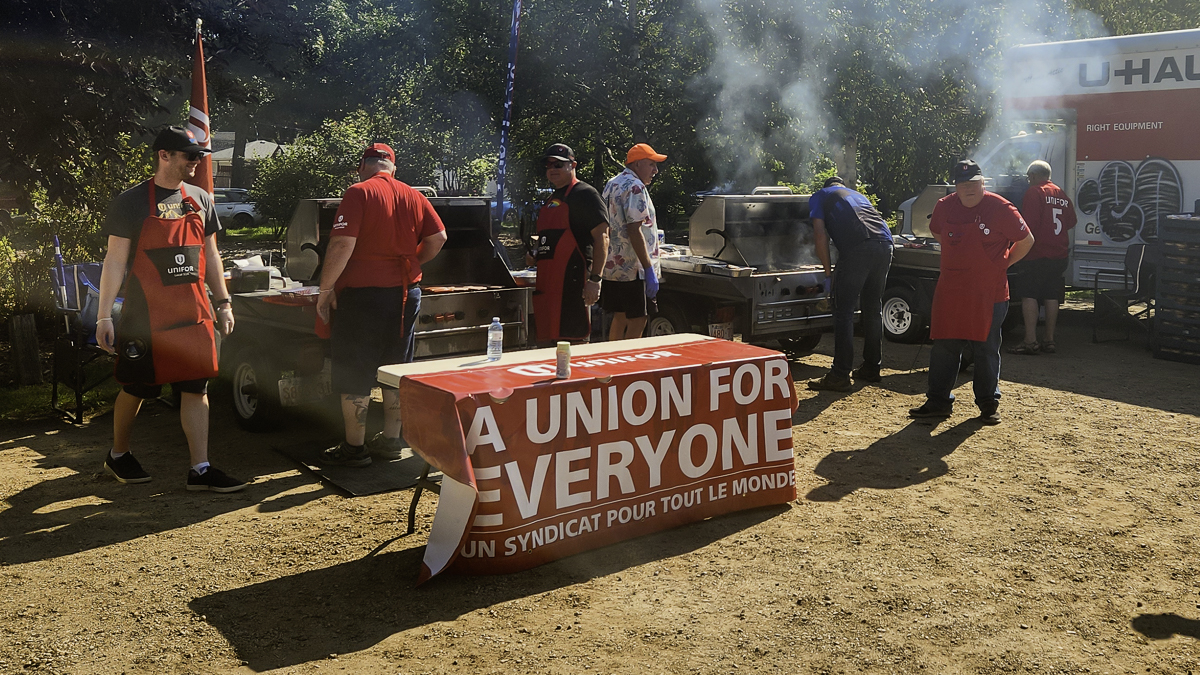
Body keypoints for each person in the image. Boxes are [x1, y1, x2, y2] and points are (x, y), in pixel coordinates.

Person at [95, 126, 246, 492]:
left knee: (197, 386)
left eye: (199, 157)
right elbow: (115, 261)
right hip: (145, 312)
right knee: (139, 387)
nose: (197, 163)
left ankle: (201, 468)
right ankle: (118, 454)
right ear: (164, 155)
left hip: (193, 309)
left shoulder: (200, 198)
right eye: (189, 156)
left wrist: (223, 302)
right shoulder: (130, 202)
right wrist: (103, 316)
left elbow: (210, 254)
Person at [315, 143, 447, 466]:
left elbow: (342, 243)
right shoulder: (415, 196)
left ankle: (354, 449)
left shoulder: (358, 193)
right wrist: (412, 262)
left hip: (363, 296)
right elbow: (439, 237)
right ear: (393, 168)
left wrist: (325, 288)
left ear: (364, 166)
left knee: (355, 368)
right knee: (395, 368)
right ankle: (391, 440)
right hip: (405, 294)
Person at [909, 160, 1035, 426]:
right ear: (955, 186)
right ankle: (938, 402)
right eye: (963, 184)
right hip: (952, 291)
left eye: (974, 183)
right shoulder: (944, 207)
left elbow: (1027, 240)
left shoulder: (1001, 208)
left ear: (983, 182)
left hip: (989, 293)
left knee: (986, 348)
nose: (969, 188)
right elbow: (939, 232)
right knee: (944, 346)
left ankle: (988, 404)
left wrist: (1002, 263)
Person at [806, 176, 895, 391]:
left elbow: (819, 235)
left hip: (859, 247)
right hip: (886, 244)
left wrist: (829, 274)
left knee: (843, 311)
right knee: (873, 308)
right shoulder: (858, 195)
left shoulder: (820, 196)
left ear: (826, 186)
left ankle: (840, 374)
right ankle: (872, 368)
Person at [529, 143, 609, 345]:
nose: (552, 169)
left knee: (574, 348)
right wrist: (536, 252)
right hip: (549, 287)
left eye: (558, 164)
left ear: (573, 165)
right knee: (548, 350)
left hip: (573, 287)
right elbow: (546, 239)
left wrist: (596, 279)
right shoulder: (551, 199)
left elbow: (603, 238)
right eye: (548, 165)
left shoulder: (586, 194)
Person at [1008, 160, 1076, 355]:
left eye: (1029, 177)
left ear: (1034, 176)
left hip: (1037, 254)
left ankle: (1030, 341)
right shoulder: (1061, 194)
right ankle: (1049, 340)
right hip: (1059, 254)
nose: (1029, 181)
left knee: (1029, 294)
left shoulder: (1034, 192)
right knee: (1051, 295)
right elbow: (1071, 221)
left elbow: (1028, 225)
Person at [601, 143, 665, 340]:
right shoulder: (636, 187)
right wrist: (648, 268)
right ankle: (628, 365)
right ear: (637, 165)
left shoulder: (613, 183)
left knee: (620, 317)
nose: (656, 170)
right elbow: (634, 229)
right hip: (633, 269)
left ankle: (612, 361)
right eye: (651, 164)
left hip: (614, 267)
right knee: (639, 319)